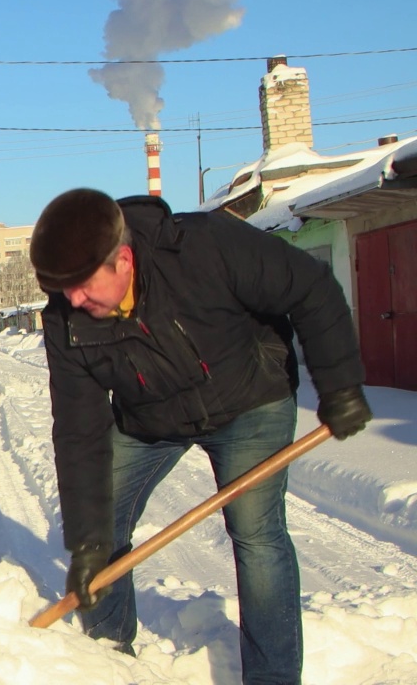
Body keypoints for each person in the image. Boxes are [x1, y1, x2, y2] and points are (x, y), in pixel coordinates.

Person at [28, 188, 372, 684]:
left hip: (248, 398)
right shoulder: (66, 321)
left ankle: (272, 677)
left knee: (256, 533)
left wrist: (339, 385)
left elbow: (310, 287)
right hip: (150, 419)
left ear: (122, 260)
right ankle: (105, 657)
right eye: (63, 292)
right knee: (103, 535)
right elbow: (79, 430)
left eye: (81, 286)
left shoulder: (206, 247)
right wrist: (87, 542)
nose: (73, 301)